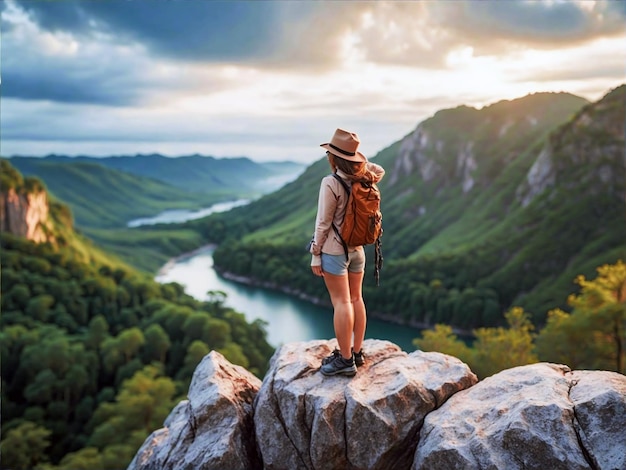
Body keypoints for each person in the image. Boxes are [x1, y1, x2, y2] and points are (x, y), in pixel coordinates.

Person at [309, 128, 385, 376]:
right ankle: (357, 352)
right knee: (356, 299)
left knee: (341, 302)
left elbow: (323, 222)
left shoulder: (331, 182)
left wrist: (315, 252)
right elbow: (379, 169)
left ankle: (344, 361)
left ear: (332, 157)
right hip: (358, 250)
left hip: (334, 250)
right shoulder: (365, 178)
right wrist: (358, 162)